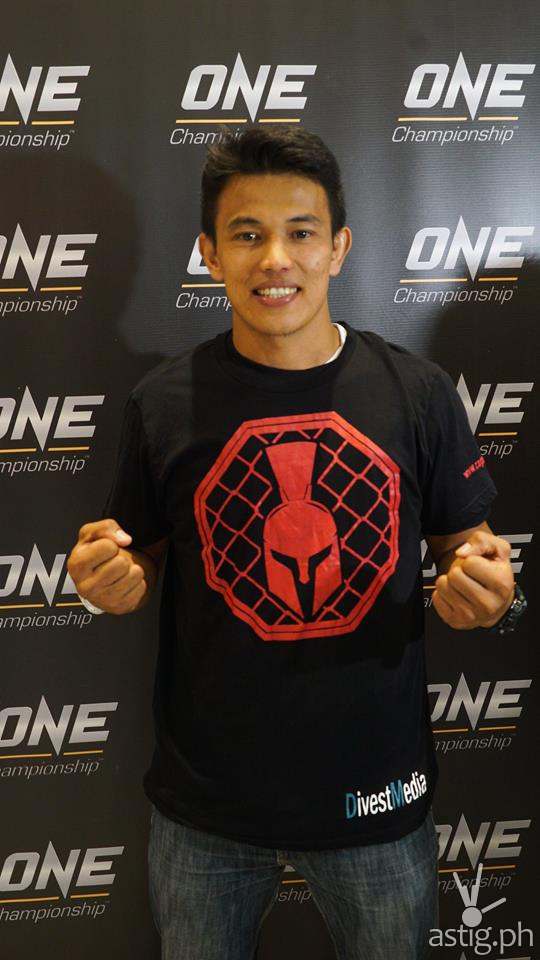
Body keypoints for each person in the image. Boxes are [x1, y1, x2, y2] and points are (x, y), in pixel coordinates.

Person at [67, 127, 522, 960]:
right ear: (210, 253)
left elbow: (474, 554)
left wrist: (488, 592)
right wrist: (109, 577)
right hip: (207, 813)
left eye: (301, 232)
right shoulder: (162, 404)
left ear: (338, 248)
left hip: (377, 800)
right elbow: (134, 559)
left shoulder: (417, 394)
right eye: (247, 234)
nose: (276, 259)